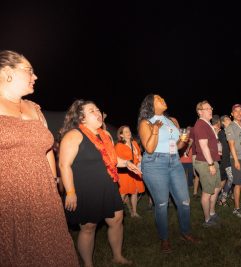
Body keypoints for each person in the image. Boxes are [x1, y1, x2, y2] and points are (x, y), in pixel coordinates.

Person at [0, 50, 79, 266]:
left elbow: (46, 151)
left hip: (43, 194)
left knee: (52, 251)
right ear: (7, 72)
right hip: (8, 196)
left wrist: (54, 183)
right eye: (29, 71)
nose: (35, 77)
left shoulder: (35, 108)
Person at [59, 100, 139, 267]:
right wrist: (71, 192)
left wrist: (126, 163)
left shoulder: (106, 135)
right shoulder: (74, 135)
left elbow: (112, 159)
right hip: (85, 189)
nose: (97, 113)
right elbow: (64, 165)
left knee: (117, 220)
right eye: (91, 111)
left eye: (97, 109)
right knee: (88, 227)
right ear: (81, 118)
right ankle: (88, 264)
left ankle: (117, 256)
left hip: (108, 186)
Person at [138, 94, 198, 253]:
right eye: (158, 98)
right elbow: (149, 148)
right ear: (151, 104)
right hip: (155, 163)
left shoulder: (173, 121)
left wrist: (184, 140)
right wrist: (155, 130)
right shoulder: (146, 123)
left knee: (184, 201)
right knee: (162, 204)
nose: (163, 99)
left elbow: (177, 145)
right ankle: (164, 239)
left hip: (174, 161)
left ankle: (186, 232)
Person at [192, 103, 222, 227]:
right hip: (205, 162)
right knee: (207, 192)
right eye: (207, 108)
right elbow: (203, 146)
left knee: (216, 188)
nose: (210, 110)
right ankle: (207, 220)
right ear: (200, 111)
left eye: (211, 108)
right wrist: (210, 164)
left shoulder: (207, 124)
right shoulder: (200, 124)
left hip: (212, 161)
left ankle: (212, 212)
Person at [115, 125, 145, 218]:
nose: (129, 133)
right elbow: (117, 160)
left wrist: (140, 157)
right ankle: (117, 214)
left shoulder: (134, 143)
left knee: (135, 192)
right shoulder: (119, 146)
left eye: (129, 131)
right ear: (121, 135)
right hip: (124, 172)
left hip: (135, 170)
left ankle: (134, 212)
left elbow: (139, 154)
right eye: (126, 132)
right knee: (123, 193)